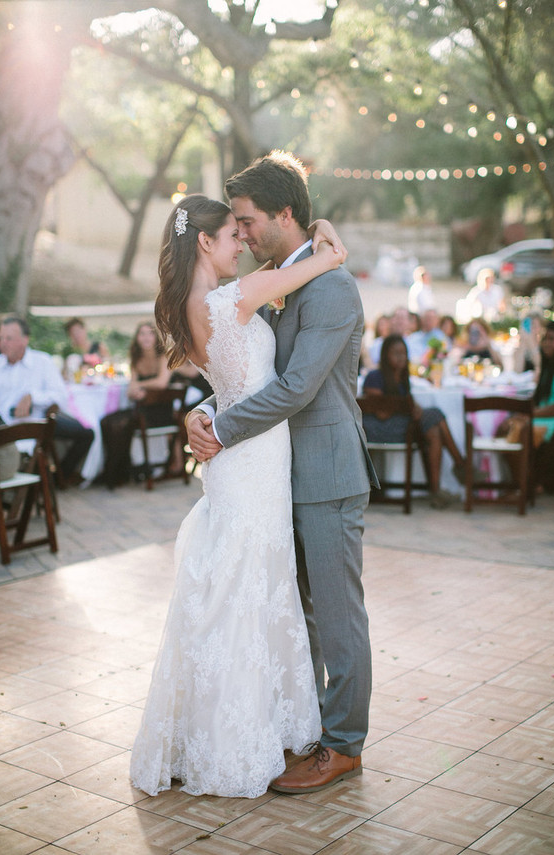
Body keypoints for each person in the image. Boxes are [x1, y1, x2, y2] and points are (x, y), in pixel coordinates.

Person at [130, 191, 351, 799]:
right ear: (205, 241)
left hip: (242, 462)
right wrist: (322, 230)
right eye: (232, 235)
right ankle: (235, 738)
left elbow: (231, 389)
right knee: (249, 591)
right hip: (251, 462)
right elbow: (327, 258)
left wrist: (198, 414)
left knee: (239, 590)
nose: (242, 245)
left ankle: (225, 728)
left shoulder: (197, 304)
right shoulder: (233, 298)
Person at [185, 151, 377, 796]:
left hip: (327, 472)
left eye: (247, 220)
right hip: (276, 475)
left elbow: (296, 387)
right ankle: (308, 728)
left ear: (284, 213)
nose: (241, 234)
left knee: (337, 615)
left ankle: (343, 746)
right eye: (235, 225)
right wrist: (204, 409)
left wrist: (221, 430)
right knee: (300, 613)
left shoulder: (331, 287)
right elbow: (249, 374)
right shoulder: (279, 280)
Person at [362, 334, 472, 508]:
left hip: (401, 426)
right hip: (381, 429)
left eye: (403, 353)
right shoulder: (375, 377)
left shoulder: (402, 378)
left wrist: (413, 409)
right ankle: (460, 466)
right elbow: (381, 412)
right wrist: (407, 409)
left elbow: (405, 405)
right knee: (435, 415)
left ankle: (437, 490)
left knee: (434, 430)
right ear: (385, 355)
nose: (401, 357)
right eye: (396, 353)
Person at [0, 316, 93, 484]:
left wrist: (33, 396)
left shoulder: (42, 362)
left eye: (9, 338)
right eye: (0, 338)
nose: (3, 343)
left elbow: (61, 396)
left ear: (25, 339)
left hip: (32, 431)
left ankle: (60, 478)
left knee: (86, 434)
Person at [100, 320, 178, 489]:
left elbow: (162, 383)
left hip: (160, 412)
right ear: (137, 338)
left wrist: (142, 386)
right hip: (141, 409)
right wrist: (135, 392)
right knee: (107, 422)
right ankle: (115, 471)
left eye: (150, 333)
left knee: (121, 424)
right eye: (142, 334)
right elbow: (130, 390)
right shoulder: (136, 360)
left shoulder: (164, 356)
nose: (146, 337)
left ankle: (119, 472)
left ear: (156, 337)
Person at [532, 320, 554, 494]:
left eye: (552, 339)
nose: (547, 343)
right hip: (542, 414)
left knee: (522, 430)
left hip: (551, 418)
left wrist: (533, 413)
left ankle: (531, 483)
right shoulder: (547, 365)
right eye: (545, 339)